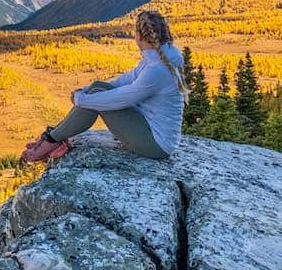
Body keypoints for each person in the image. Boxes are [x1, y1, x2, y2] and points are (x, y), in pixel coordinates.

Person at [21, 9, 187, 162]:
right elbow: (127, 79)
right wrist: (86, 91)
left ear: (140, 37)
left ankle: (52, 140)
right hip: (151, 132)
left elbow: (123, 98)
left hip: (156, 145)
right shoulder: (161, 58)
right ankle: (55, 136)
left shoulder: (157, 69)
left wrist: (82, 100)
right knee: (98, 87)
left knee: (97, 97)